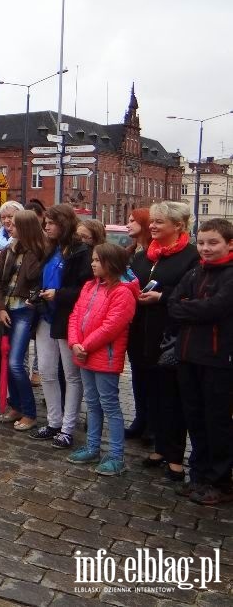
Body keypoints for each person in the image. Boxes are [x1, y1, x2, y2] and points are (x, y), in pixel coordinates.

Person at [129, 202, 199, 481]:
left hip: (169, 336)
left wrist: (163, 296)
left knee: (172, 397)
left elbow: (192, 293)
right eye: (152, 221)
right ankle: (158, 446)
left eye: (159, 222)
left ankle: (174, 456)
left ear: (178, 226)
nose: (153, 226)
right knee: (150, 391)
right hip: (141, 333)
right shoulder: (145, 255)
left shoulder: (191, 257)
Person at [168, 218, 233, 505]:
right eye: (202, 242)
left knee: (216, 420)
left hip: (217, 360)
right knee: (195, 417)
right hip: (187, 355)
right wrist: (194, 309)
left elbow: (217, 308)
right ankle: (199, 474)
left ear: (229, 244)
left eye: (213, 242)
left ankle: (220, 480)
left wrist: (189, 307)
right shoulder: (196, 271)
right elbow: (172, 303)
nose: (205, 248)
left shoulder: (230, 275)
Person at [66, 243, 138, 476]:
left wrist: (84, 346)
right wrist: (74, 343)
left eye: (97, 260)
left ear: (111, 264)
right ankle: (92, 447)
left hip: (103, 357)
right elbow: (75, 315)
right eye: (93, 260)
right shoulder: (89, 286)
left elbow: (111, 327)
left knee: (110, 406)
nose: (92, 263)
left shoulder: (122, 293)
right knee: (93, 403)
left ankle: (116, 456)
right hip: (84, 354)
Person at [33, 204, 91, 449]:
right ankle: (54, 422)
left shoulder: (81, 252)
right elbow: (42, 278)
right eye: (46, 223)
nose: (46, 227)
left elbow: (85, 289)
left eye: (51, 223)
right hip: (47, 315)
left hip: (69, 317)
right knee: (46, 370)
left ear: (64, 224)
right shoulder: (52, 249)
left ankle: (68, 427)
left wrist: (58, 294)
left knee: (71, 374)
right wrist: (37, 295)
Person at [0, 210, 47, 431]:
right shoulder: (9, 250)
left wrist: (30, 249)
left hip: (24, 310)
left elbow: (37, 281)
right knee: (7, 360)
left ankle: (30, 412)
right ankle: (16, 405)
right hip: (7, 309)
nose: (8, 227)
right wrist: (0, 308)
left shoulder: (40, 252)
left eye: (14, 224)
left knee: (15, 362)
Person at [123, 207, 156, 439]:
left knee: (151, 375)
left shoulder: (153, 254)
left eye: (133, 221)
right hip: (134, 319)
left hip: (151, 320)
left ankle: (152, 424)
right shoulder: (133, 253)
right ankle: (140, 417)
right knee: (137, 372)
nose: (128, 225)